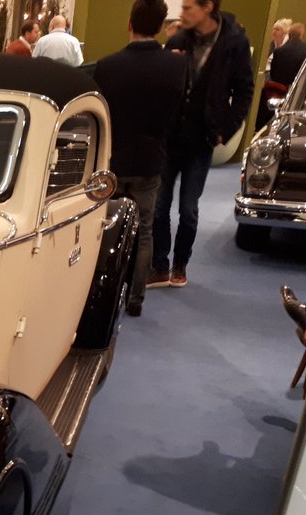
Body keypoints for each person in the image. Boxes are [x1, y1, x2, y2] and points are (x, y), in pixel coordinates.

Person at [150, 0, 253, 289]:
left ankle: (180, 264)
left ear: (208, 7)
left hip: (202, 139)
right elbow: (163, 84)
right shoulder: (178, 39)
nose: (182, 14)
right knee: (159, 205)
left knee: (188, 208)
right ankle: (159, 265)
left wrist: (225, 129)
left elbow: (244, 91)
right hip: (170, 136)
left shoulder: (234, 42)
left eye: (188, 8)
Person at [93, 0, 187, 317]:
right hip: (151, 158)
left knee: (106, 226)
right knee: (144, 230)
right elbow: (175, 116)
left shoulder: (106, 66)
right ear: (161, 27)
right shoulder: (176, 67)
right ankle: (136, 298)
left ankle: (102, 294)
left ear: (129, 24)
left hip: (113, 159)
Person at [270, 23, 306, 88]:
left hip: (278, 90)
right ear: (302, 35)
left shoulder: (278, 51)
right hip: (299, 89)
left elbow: (272, 74)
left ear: (289, 34)